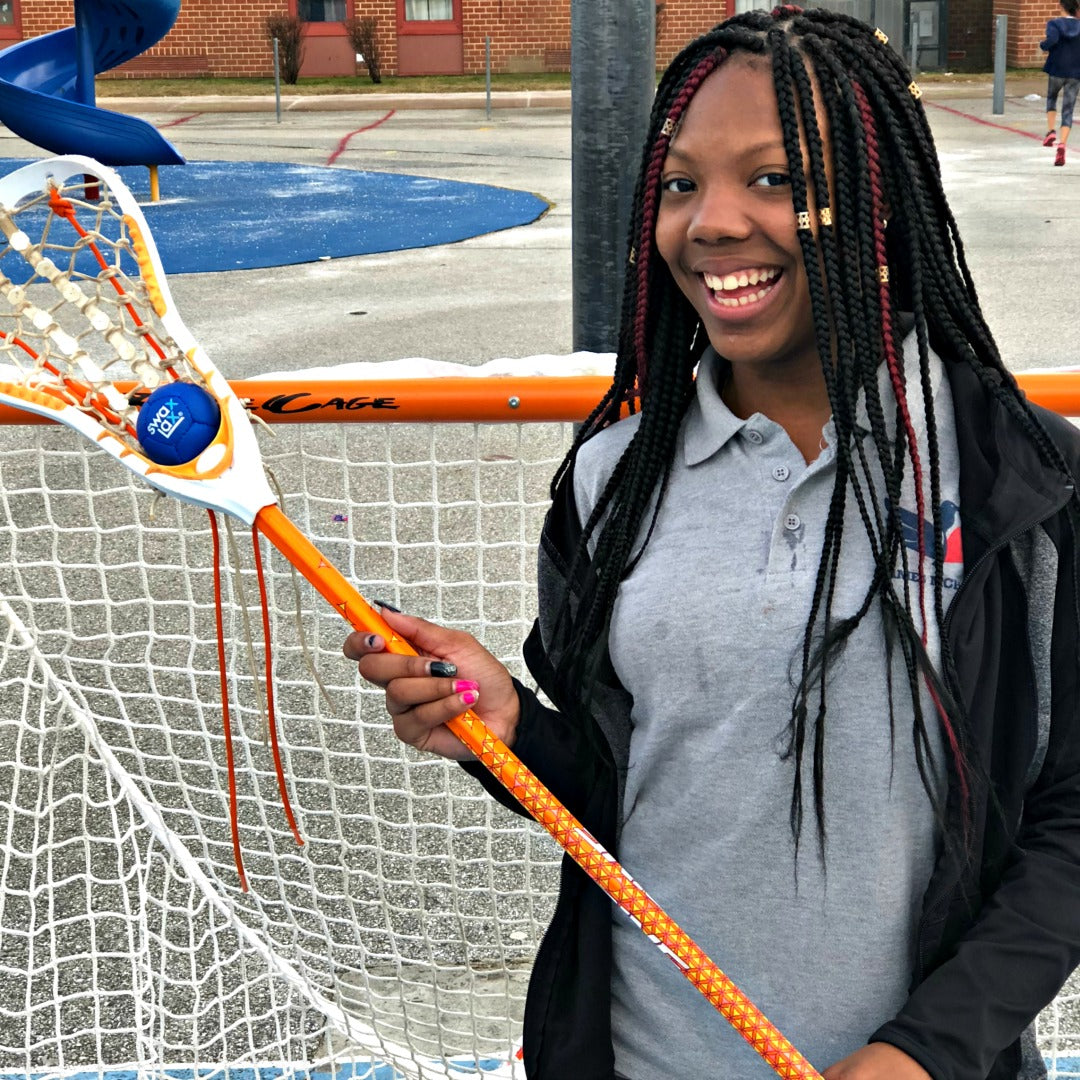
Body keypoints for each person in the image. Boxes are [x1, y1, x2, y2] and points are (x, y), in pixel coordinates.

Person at [344, 8, 1080, 1079]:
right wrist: (509, 731)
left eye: (776, 179)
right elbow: (629, 795)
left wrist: (923, 1054)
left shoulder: (1018, 475)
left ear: (884, 201)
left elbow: (1068, 822)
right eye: (681, 184)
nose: (712, 223)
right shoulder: (614, 480)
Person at [1040, 0, 1080, 165]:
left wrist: (1043, 45)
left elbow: (1052, 40)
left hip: (1057, 68)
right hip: (1075, 71)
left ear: (1061, 7)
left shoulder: (1054, 24)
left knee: (1052, 98)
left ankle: (1050, 131)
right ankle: (1062, 144)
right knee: (1068, 109)